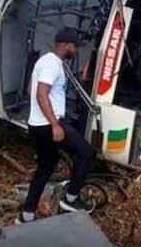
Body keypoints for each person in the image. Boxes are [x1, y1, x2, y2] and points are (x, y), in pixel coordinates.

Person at [18, 27, 96, 224]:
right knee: (87, 153)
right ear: (66, 45)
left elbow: (30, 89)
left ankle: (27, 215)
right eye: (75, 47)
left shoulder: (43, 61)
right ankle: (71, 198)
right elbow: (40, 94)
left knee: (45, 168)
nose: (76, 51)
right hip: (48, 125)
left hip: (37, 124)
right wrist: (55, 124)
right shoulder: (53, 64)